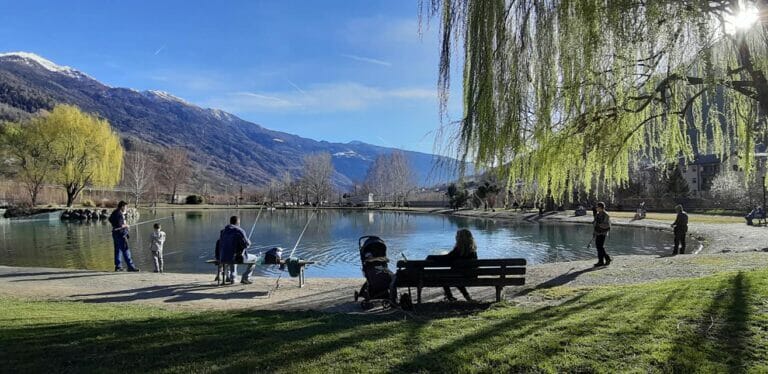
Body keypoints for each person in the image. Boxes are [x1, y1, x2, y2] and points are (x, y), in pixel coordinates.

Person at [428, 229, 477, 301]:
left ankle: (450, 297)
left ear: (459, 238)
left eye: (457, 236)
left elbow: (446, 258)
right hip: (470, 276)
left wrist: (431, 257)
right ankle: (466, 297)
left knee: (444, 277)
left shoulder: (458, 250)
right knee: (456, 276)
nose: (455, 237)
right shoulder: (473, 251)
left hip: (460, 275)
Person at [217, 216, 255, 284]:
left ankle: (233, 277)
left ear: (230, 222)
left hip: (222, 257)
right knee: (254, 258)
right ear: (238, 223)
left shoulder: (223, 231)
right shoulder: (239, 231)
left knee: (233, 253)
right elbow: (246, 245)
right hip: (233, 258)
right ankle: (245, 277)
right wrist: (249, 242)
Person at [108, 201, 139, 272]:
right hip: (121, 234)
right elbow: (120, 225)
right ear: (122, 206)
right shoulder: (119, 214)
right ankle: (131, 266)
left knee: (118, 250)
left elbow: (110, 219)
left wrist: (114, 225)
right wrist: (126, 225)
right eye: (126, 207)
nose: (126, 208)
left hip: (115, 233)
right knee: (126, 250)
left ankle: (118, 267)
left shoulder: (115, 212)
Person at [592, 202, 612, 267]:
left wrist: (599, 224)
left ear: (600, 207)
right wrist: (594, 232)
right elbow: (595, 224)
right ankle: (606, 259)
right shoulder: (597, 214)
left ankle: (602, 261)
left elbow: (607, 225)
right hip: (597, 232)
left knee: (600, 246)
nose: (596, 208)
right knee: (599, 247)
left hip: (603, 233)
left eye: (597, 207)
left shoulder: (606, 215)